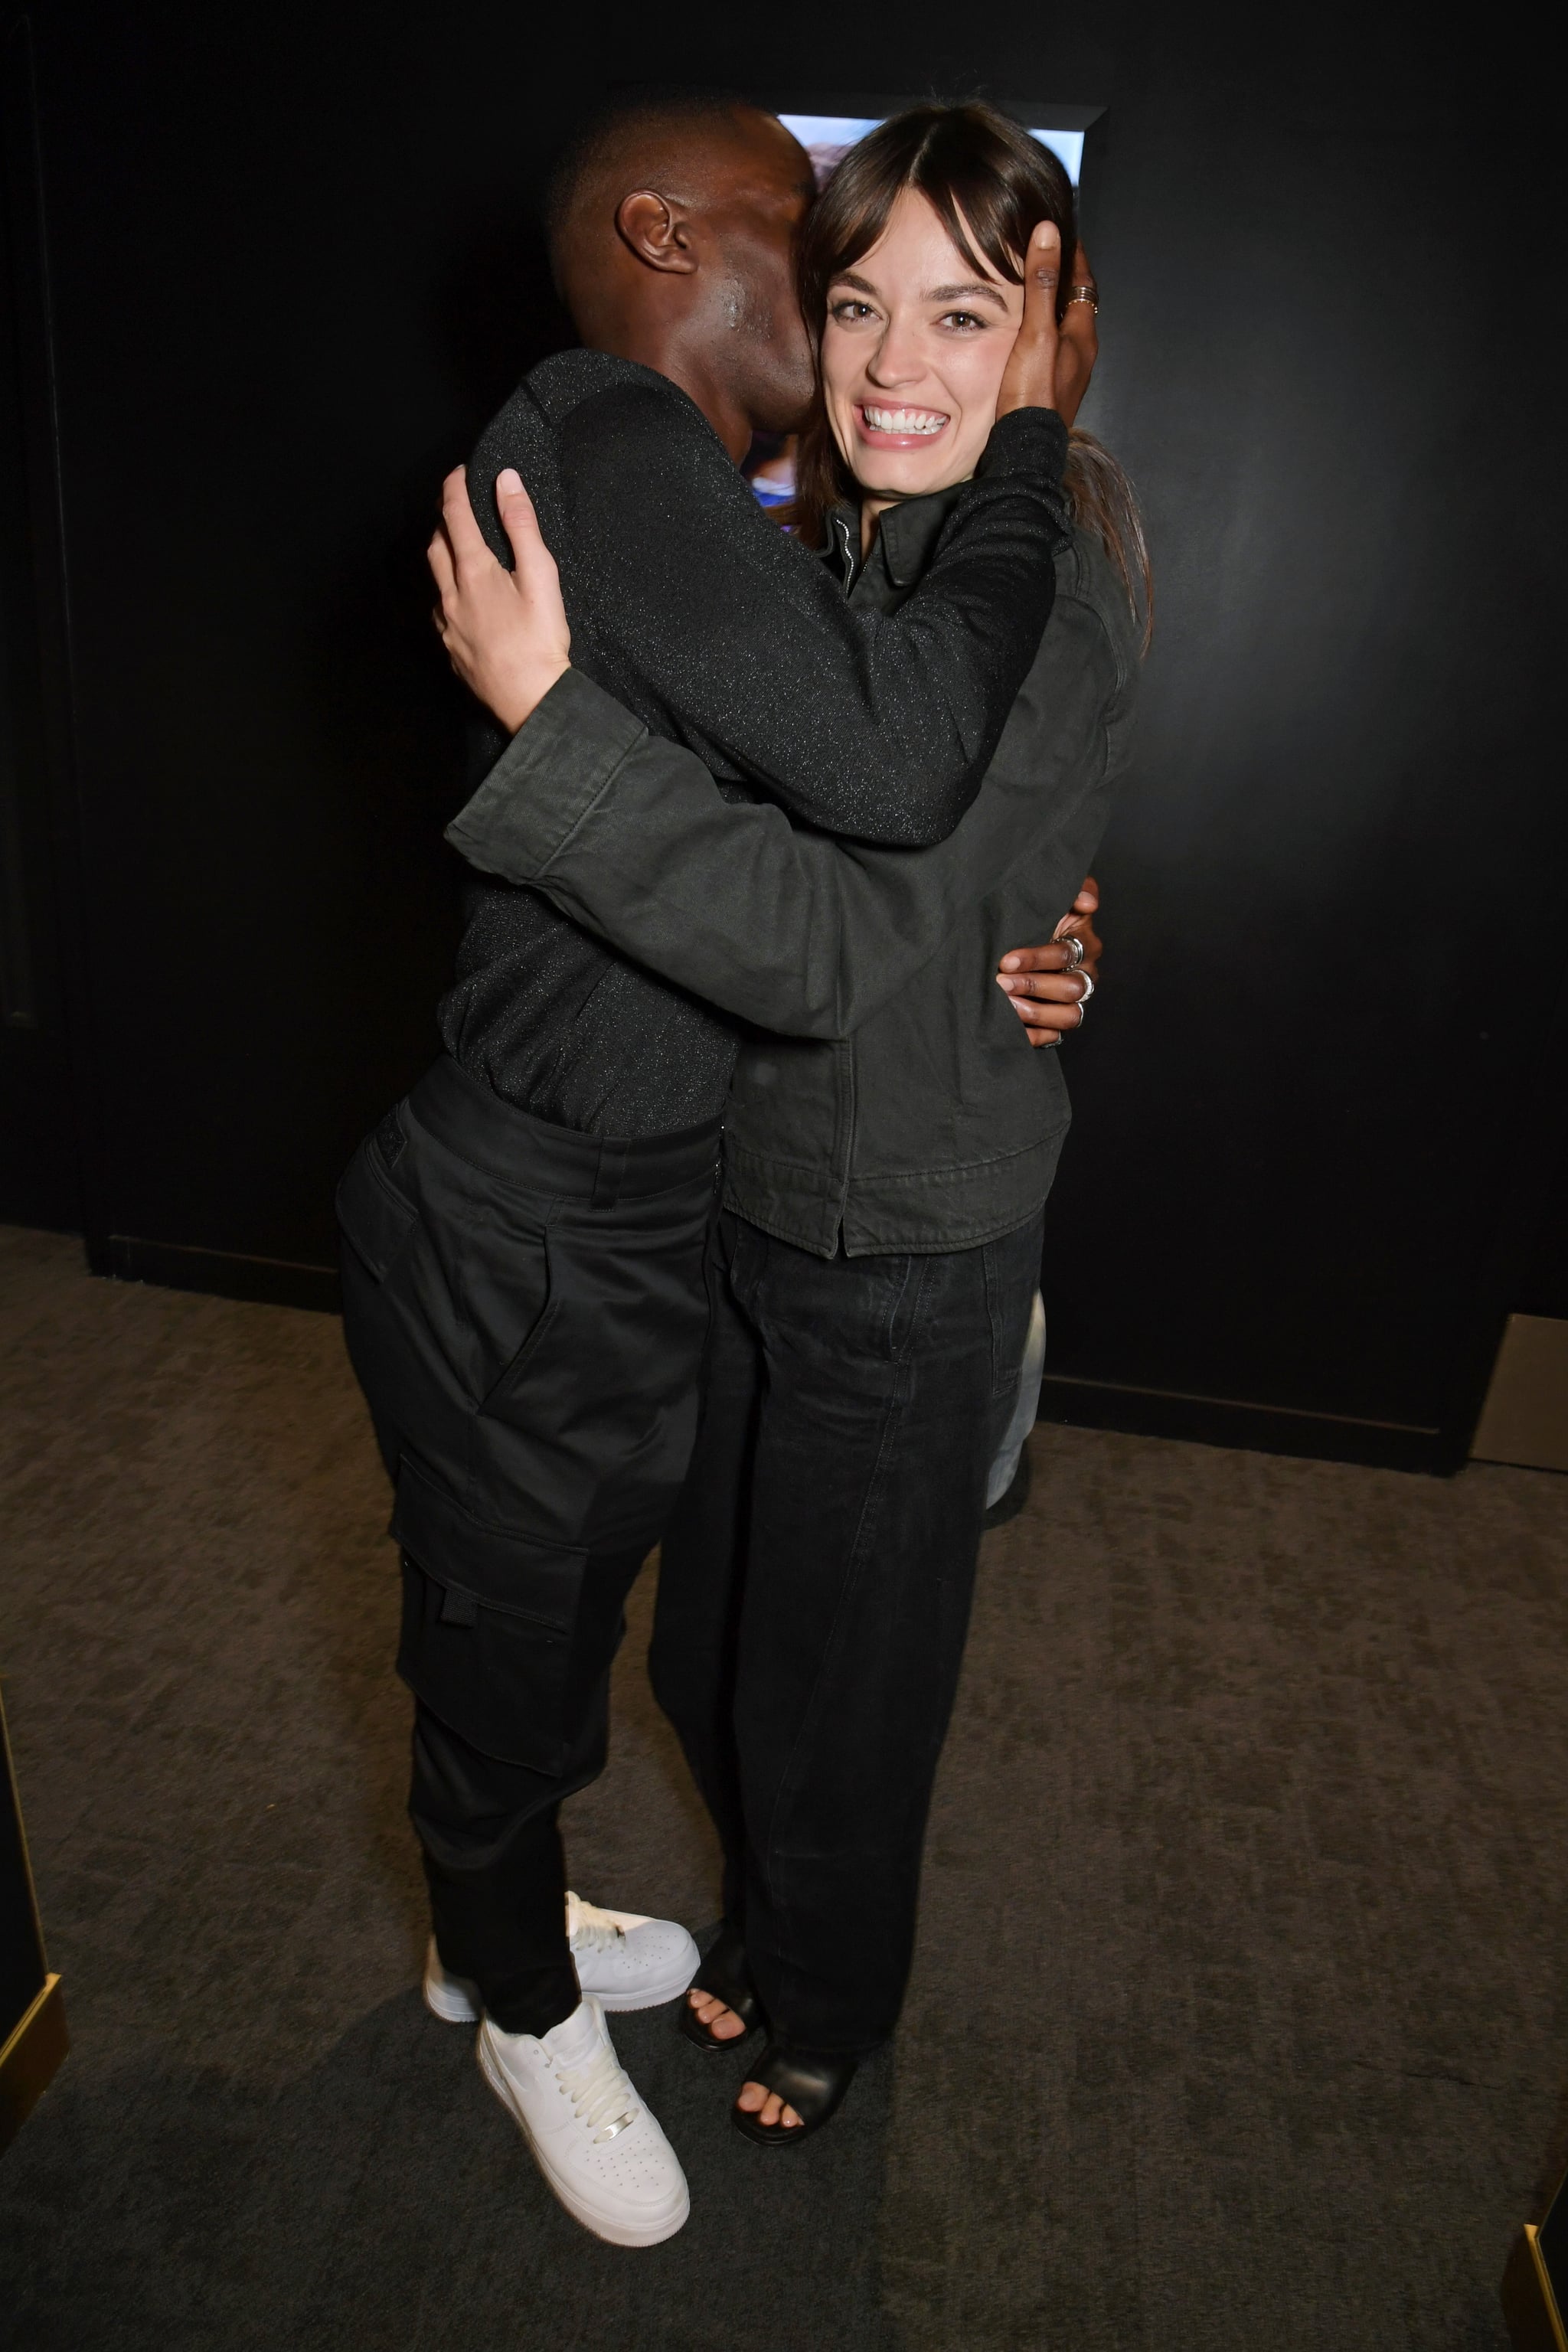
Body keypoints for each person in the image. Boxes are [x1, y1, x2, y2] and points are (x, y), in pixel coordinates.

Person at [338, 89, 1091, 2246]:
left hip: (628, 1196)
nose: (860, 323)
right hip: (529, 1205)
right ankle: (504, 1993)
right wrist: (1021, 438)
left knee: (566, 1609)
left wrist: (1033, 917)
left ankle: (509, 1913)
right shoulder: (616, 429)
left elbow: (870, 810)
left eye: (931, 301)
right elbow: (881, 772)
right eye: (818, 253)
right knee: (505, 1630)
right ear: (668, 235)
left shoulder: (697, 509)